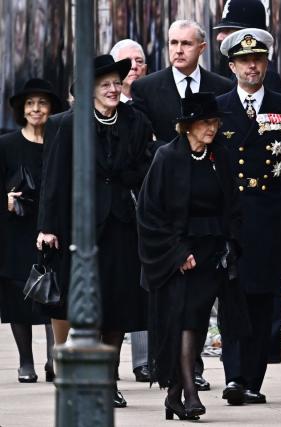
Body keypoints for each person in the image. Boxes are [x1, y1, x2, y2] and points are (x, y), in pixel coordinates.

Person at [36, 55, 153, 408]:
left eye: (117, 83)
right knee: (84, 304)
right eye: (105, 84)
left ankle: (107, 379)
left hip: (120, 224)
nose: (114, 89)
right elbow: (53, 179)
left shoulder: (136, 121)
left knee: (117, 305)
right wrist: (46, 226)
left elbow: (144, 167)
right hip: (79, 225)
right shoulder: (66, 124)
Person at [137, 92, 244, 421]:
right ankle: (190, 394)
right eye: (204, 123)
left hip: (211, 252)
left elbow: (232, 203)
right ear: (187, 126)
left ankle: (173, 395)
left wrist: (230, 245)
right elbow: (150, 211)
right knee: (181, 320)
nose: (211, 128)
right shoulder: (167, 157)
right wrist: (178, 251)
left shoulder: (219, 155)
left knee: (196, 321)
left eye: (214, 122)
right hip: (177, 254)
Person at [215, 28, 281, 405]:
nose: (252, 66)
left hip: (269, 215)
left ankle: (253, 378)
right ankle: (234, 376)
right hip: (231, 214)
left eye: (258, 59)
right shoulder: (218, 107)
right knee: (233, 295)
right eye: (244, 61)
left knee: (264, 298)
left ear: (266, 63)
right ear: (232, 66)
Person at [0, 78, 63, 383]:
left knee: (54, 294)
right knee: (17, 297)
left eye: (42, 103)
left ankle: (54, 359)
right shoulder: (6, 144)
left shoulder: (59, 140)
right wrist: (5, 200)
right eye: (30, 103)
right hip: (17, 231)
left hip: (52, 228)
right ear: (22, 110)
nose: (36, 109)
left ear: (51, 108)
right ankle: (26, 362)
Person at [110, 38, 151, 384]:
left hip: (147, 206)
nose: (136, 68)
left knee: (142, 284)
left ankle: (144, 360)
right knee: (119, 285)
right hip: (114, 211)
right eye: (128, 63)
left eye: (140, 62)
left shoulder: (148, 106)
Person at [131, 19, 234, 143]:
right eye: (174, 43)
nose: (179, 50)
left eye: (186, 44)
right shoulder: (144, 88)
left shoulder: (223, 87)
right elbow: (141, 142)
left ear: (201, 48)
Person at [213, 0, 281, 94]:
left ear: (249, 36)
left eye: (227, 30)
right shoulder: (230, 67)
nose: (219, 37)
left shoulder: (265, 76)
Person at [110, 39, 148, 104]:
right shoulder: (102, 105)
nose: (134, 66)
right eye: (127, 62)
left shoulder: (155, 102)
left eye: (139, 61)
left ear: (145, 69)